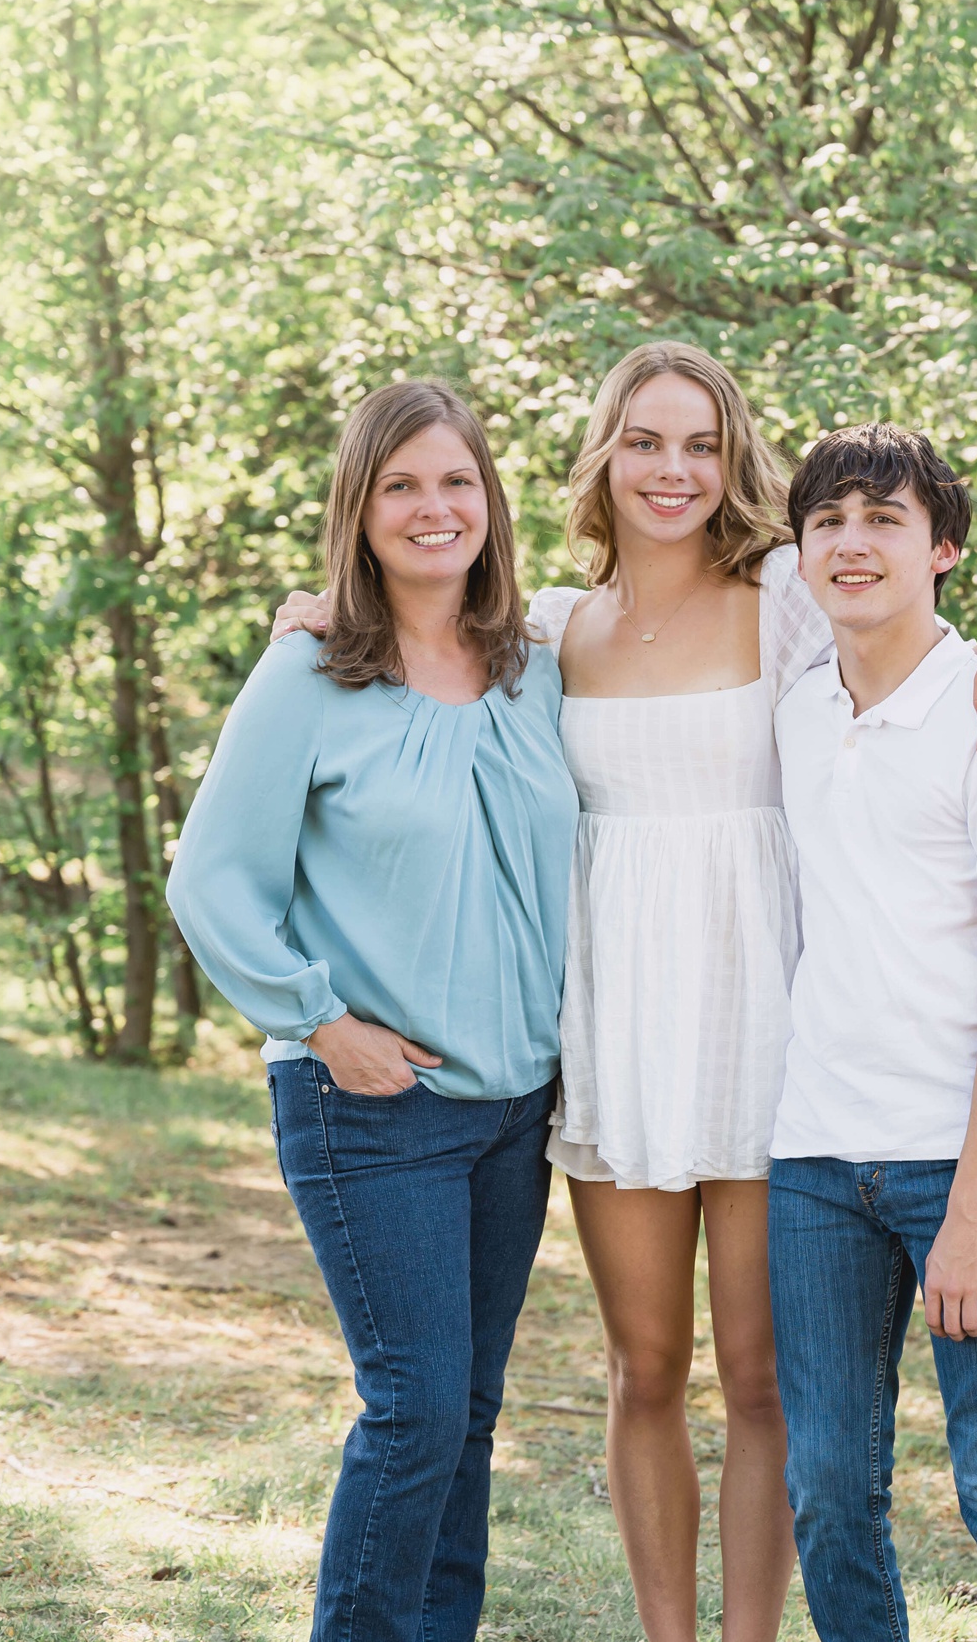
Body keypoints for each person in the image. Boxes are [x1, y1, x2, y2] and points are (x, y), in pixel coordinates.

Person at [267, 345, 977, 1642]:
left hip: (764, 1029)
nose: (672, 469)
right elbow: (400, 628)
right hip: (616, 1029)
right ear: (604, 458)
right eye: (644, 442)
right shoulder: (546, 625)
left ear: (731, 459)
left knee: (759, 1380)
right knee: (643, 1369)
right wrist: (309, 608)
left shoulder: (789, 593)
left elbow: (926, 615)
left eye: (698, 444)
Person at [167, 379, 580, 1642]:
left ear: (489, 502)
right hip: (372, 1106)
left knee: (466, 1415)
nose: (431, 506)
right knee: (412, 1409)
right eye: (400, 484)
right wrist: (318, 1019)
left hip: (514, 1110)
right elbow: (208, 877)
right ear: (358, 507)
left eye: (455, 480)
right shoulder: (307, 672)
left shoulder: (534, 669)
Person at [766, 424, 977, 1642]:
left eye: (883, 519)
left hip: (964, 1161)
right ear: (797, 553)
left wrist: (972, 1210)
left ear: (941, 548)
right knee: (830, 1487)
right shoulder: (794, 711)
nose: (852, 543)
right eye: (828, 520)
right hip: (813, 1158)